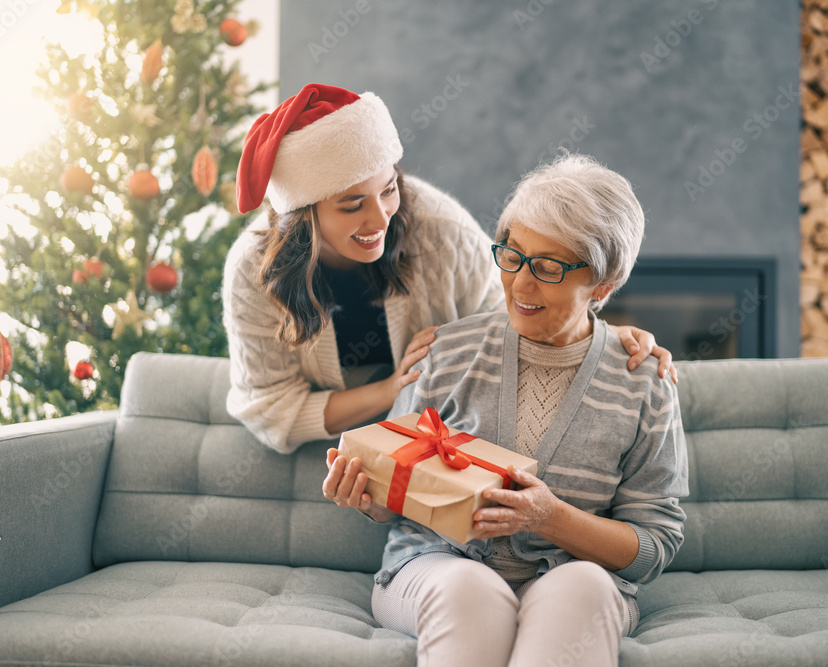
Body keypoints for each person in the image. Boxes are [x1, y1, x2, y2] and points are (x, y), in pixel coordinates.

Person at [323, 154, 689, 667]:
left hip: (576, 578)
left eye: (547, 267)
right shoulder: (445, 353)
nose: (520, 284)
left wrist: (553, 518)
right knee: (468, 588)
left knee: (581, 584)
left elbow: (654, 547)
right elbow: (395, 503)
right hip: (437, 568)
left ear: (603, 285)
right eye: (512, 256)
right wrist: (365, 494)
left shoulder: (644, 382)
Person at [224, 83, 675, 455]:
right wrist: (389, 392)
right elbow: (269, 406)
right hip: (337, 452)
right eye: (351, 205)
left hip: (449, 440)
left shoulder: (439, 230)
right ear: (304, 214)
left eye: (388, 190)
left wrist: (604, 336)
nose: (381, 219)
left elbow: (519, 310)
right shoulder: (252, 271)